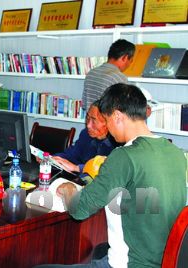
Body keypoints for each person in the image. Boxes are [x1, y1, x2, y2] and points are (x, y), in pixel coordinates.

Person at [55, 83, 187, 267]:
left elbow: (79, 209)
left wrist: (69, 190)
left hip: (130, 263)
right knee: (99, 251)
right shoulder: (176, 153)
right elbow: (146, 200)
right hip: (165, 260)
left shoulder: (123, 156)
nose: (108, 128)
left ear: (117, 116)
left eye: (107, 120)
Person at [52, 100, 119, 177]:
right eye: (87, 118)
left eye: (94, 120)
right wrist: (51, 159)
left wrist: (77, 168)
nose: (88, 125)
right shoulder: (85, 134)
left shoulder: (117, 143)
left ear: (107, 122)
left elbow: (106, 170)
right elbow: (72, 155)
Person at [81, 39, 135, 111]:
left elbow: (84, 105)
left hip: (91, 121)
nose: (129, 64)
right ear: (124, 57)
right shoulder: (119, 78)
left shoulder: (91, 73)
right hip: (108, 121)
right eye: (130, 61)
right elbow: (124, 110)